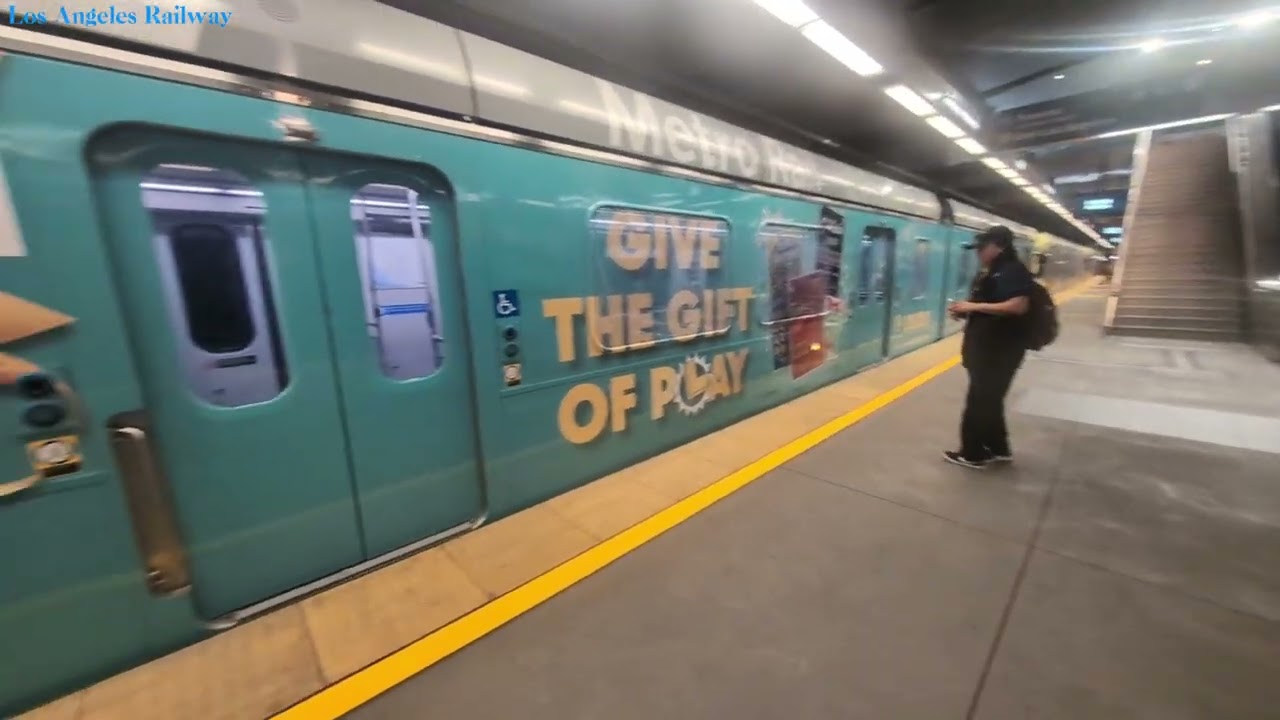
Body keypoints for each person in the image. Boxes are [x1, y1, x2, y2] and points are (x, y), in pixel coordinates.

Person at [944, 225, 1033, 469]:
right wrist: (965, 312)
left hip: (998, 351)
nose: (978, 253)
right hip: (994, 349)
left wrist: (972, 308)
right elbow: (994, 306)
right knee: (990, 401)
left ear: (998, 246)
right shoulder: (997, 270)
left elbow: (1018, 305)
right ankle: (998, 448)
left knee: (979, 402)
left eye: (982, 248)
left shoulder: (1010, 270)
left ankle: (973, 454)